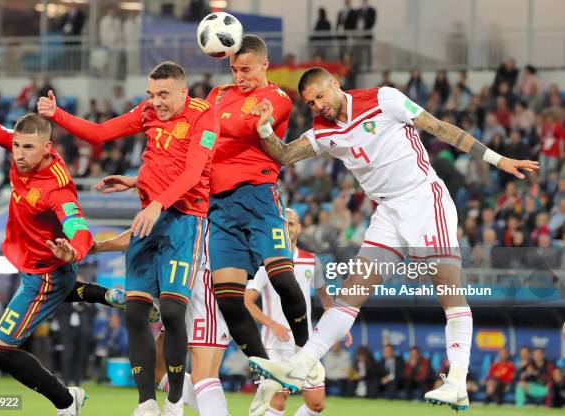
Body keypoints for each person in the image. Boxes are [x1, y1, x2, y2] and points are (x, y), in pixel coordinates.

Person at [247, 66, 539, 411]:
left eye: (320, 96)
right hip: (387, 213)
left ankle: (458, 381)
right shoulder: (323, 133)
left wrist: (498, 159)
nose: (318, 106)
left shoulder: (383, 99)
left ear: (335, 84)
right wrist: (264, 126)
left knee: (449, 291)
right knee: (352, 291)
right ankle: (300, 364)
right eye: (310, 103)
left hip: (423, 199)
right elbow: (283, 154)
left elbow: (441, 128)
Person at [38, 61, 218, 416]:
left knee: (170, 309)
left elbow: (193, 171)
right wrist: (57, 114)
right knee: (135, 311)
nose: (156, 102)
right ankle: (146, 403)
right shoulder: (148, 112)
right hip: (148, 216)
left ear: (184, 91)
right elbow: (101, 133)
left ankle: (175, 400)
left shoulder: (203, 116)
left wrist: (155, 203)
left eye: (163, 94)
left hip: (185, 220)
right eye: (151, 94)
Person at [203, 35, 322, 414]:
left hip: (259, 199)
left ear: (265, 65)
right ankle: (266, 368)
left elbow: (242, 127)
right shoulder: (217, 95)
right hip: (220, 206)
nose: (240, 77)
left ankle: (307, 355)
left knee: (285, 280)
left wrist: (214, 120)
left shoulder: (277, 98)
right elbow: (202, 139)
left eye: (247, 69)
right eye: (235, 69)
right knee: (227, 298)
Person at [0, 90, 94, 416]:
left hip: (46, 273)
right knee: (1, 346)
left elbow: (80, 228)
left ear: (47, 148)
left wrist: (73, 251)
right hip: (28, 262)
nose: (18, 154)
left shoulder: (56, 188)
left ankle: (66, 402)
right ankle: (111, 297)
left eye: (28, 148)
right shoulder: (22, 148)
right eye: (16, 146)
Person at [78, 228, 231, 416]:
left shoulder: (199, 207)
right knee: (160, 371)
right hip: (176, 286)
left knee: (203, 375)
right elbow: (143, 229)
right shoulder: (160, 208)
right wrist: (100, 246)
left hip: (202, 286)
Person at [245, 208, 351, 416]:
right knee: (278, 399)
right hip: (274, 345)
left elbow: (325, 299)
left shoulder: (311, 260)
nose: (288, 228)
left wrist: (340, 326)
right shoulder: (266, 262)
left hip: (305, 344)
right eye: (284, 224)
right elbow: (246, 302)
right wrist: (272, 324)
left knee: (317, 404)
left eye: (291, 224)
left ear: (299, 228)